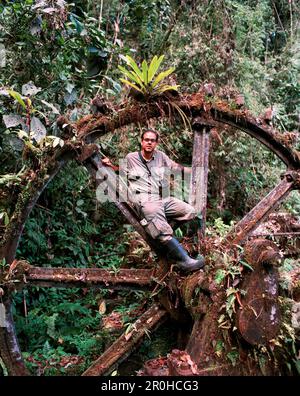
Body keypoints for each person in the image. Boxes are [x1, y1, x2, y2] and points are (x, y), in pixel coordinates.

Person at [103, 129, 205, 272]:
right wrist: (109, 165)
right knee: (156, 219)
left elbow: (175, 167)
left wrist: (194, 171)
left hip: (160, 198)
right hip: (144, 200)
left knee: (190, 211)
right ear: (141, 141)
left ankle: (159, 230)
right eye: (146, 140)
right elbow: (120, 170)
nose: (149, 142)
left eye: (152, 140)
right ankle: (184, 262)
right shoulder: (131, 157)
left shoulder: (160, 156)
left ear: (156, 143)